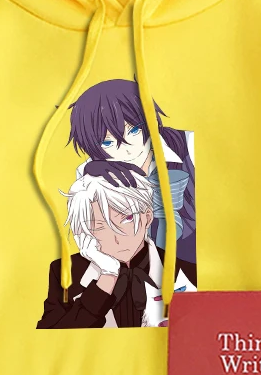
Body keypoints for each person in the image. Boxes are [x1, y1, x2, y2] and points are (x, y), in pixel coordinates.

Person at [66, 78, 197, 284]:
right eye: (107, 142)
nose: (126, 148)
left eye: (134, 131)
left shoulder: (187, 145)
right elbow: (88, 236)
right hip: (138, 274)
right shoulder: (90, 173)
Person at [36, 168, 194, 329]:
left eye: (127, 219)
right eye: (99, 226)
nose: (116, 238)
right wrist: (106, 278)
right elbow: (49, 338)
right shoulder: (66, 272)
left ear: (147, 217)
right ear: (85, 230)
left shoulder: (186, 272)